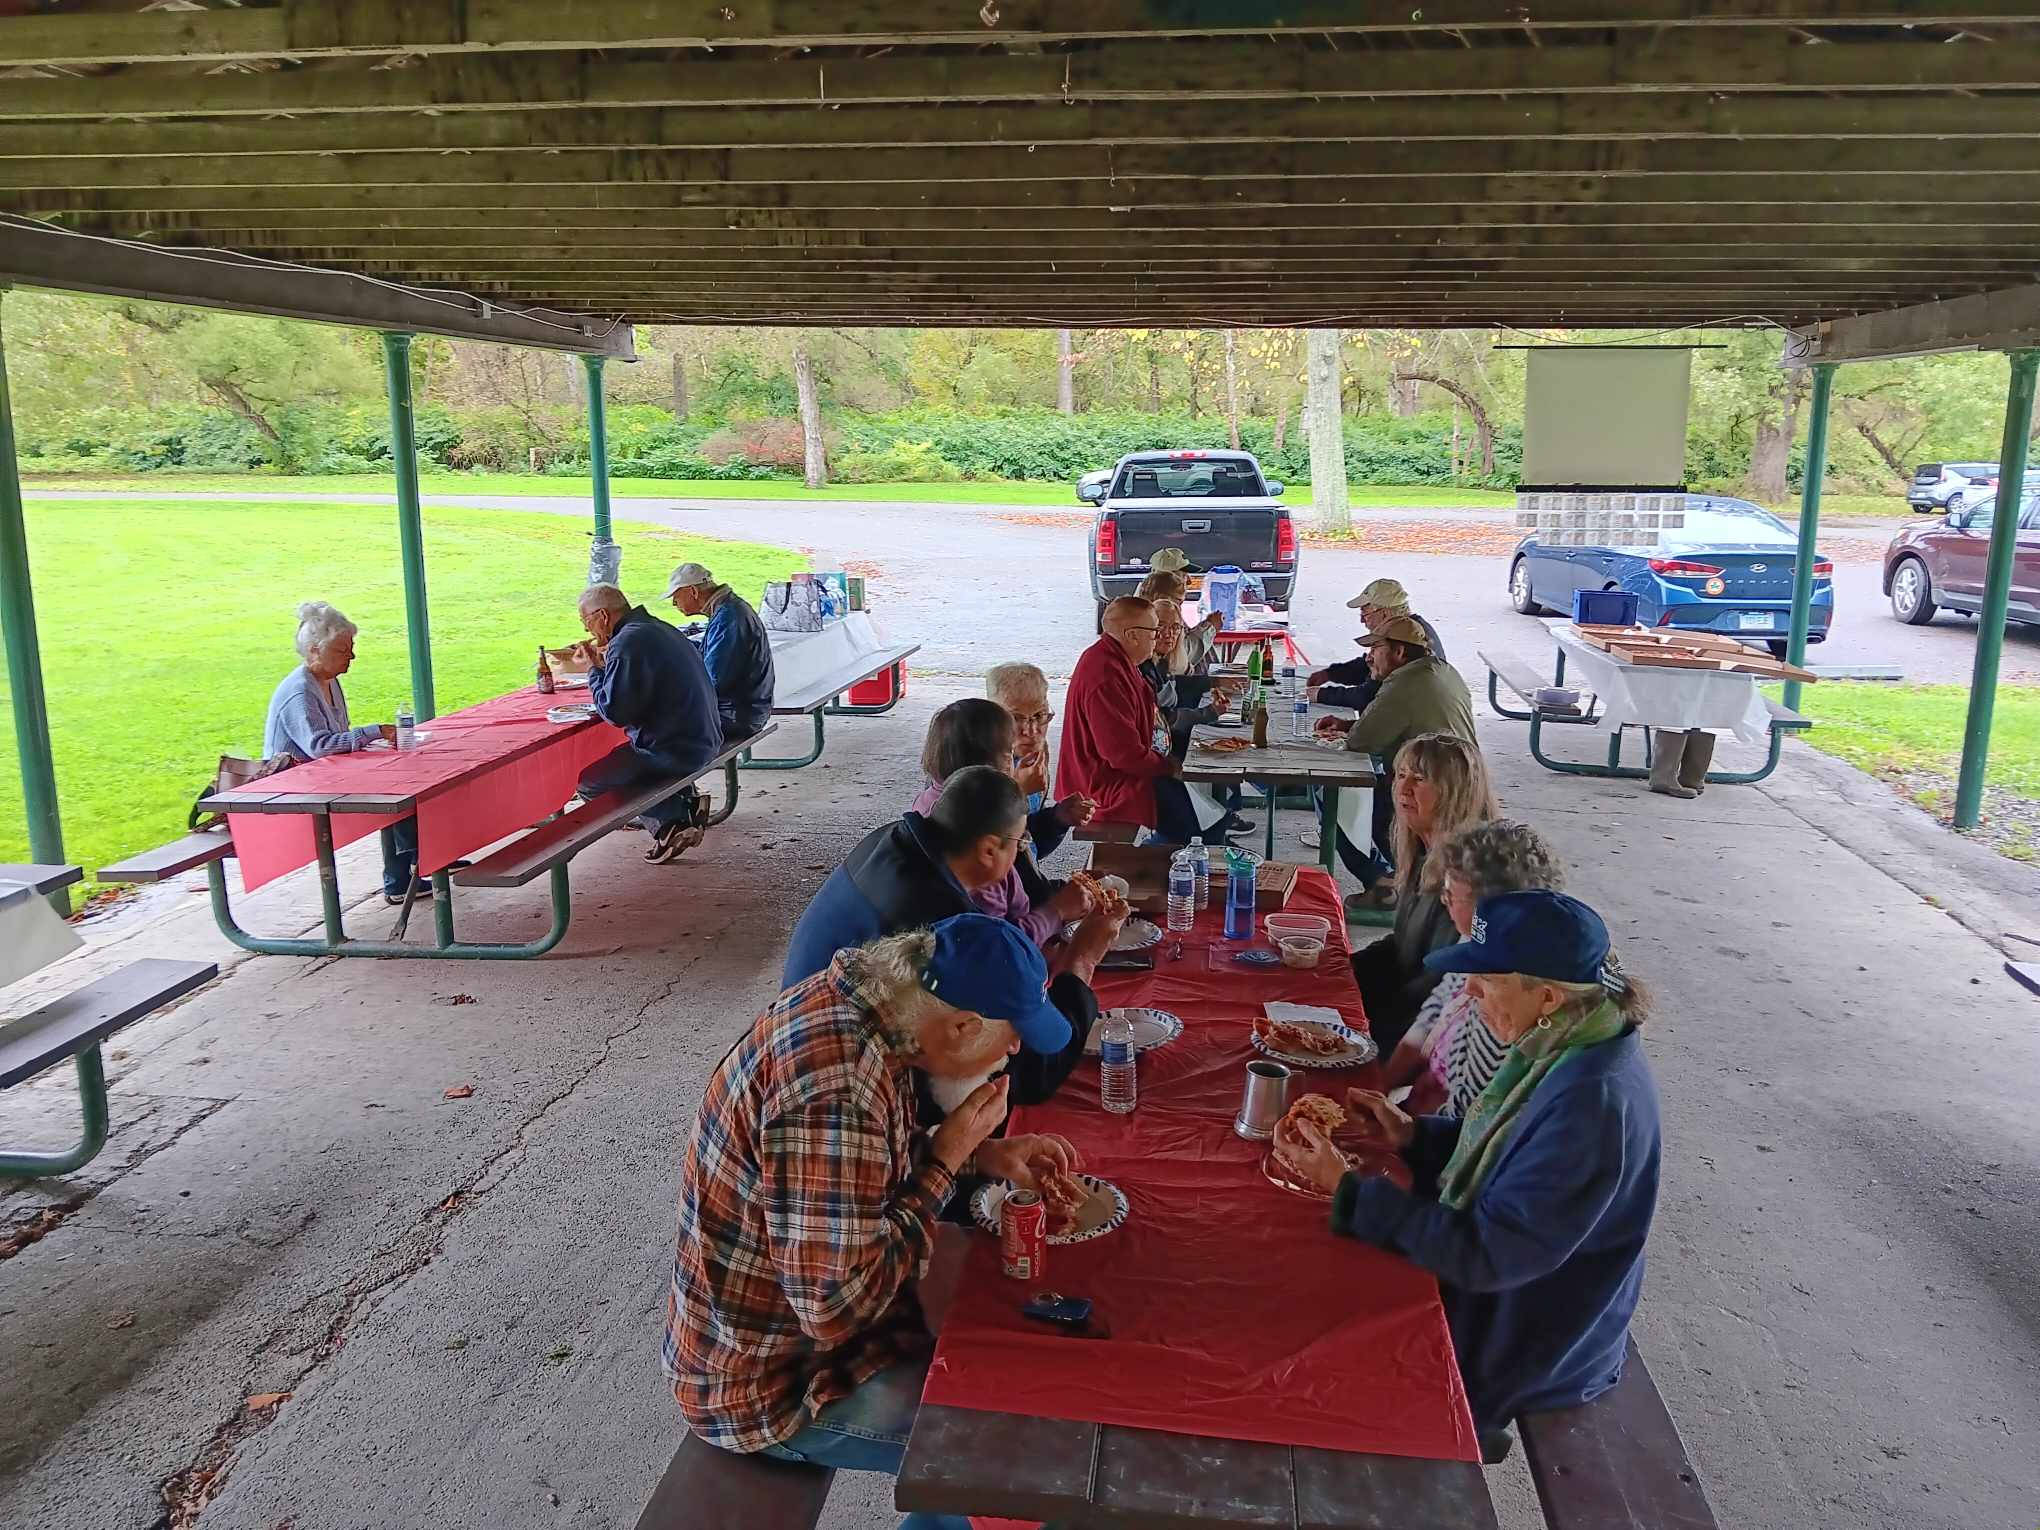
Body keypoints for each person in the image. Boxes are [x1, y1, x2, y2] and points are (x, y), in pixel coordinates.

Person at [666, 917, 1087, 1530]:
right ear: (964, 1025)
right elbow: (834, 1307)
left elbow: (850, 1174)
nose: (1016, 1051)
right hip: (773, 1385)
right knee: (1019, 1450)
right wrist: (946, 1159)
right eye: (1013, 1035)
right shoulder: (837, 1085)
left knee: (1022, 1362)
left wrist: (982, 1155)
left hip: (805, 1329)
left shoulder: (866, 1010)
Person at [1275, 890, 1660, 1462]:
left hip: (1531, 1332)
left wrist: (1350, 1191)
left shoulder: (1591, 1106)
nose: (1469, 992)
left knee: (1306, 1356)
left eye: (1485, 979)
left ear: (1547, 995)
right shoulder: (1563, 1038)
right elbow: (1507, 1151)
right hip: (1514, 1282)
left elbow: (1486, 1258)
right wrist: (1411, 1134)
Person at [1379, 820, 1567, 1117]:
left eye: (1451, 894)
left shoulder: (1510, 996)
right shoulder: (1478, 942)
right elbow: (1435, 1011)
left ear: (1488, 905)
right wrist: (1381, 1087)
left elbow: (1466, 1115)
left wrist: (1402, 1128)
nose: (1445, 901)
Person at [1348, 733, 1495, 1055]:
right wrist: (1343, 969)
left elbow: (1444, 984)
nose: (1403, 789)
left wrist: (1362, 1020)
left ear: (1455, 791)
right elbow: (1405, 946)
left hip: (1436, 1032)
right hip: (1406, 1007)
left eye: (1420, 779)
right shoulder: (1423, 852)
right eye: (1401, 775)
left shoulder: (1471, 876)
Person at [264, 600, 418, 904]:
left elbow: (337, 736)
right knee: (393, 791)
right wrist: (372, 732)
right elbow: (320, 746)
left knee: (402, 782)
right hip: (293, 787)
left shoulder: (328, 680)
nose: (352, 656)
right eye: (342, 650)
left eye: (350, 648)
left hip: (324, 777)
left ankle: (412, 867)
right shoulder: (299, 690)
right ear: (314, 651)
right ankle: (418, 861)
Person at [1314, 614, 1478, 898]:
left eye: (1375, 650)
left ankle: (1383, 880)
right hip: (1465, 779)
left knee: (1331, 794)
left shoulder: (1402, 685)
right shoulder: (1440, 669)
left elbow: (1361, 742)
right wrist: (1347, 724)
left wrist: (1351, 731)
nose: (1368, 658)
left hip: (1435, 788)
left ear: (1399, 652)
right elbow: (1405, 720)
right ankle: (1404, 878)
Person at [908, 700, 1095, 947]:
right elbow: (999, 945)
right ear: (985, 771)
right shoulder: (971, 840)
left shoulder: (946, 801)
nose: (1017, 760)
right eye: (1010, 755)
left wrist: (1056, 819)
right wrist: (1056, 912)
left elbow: (1017, 846)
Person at [572, 583, 724, 864]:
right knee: (624, 767)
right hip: (705, 736)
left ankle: (671, 821)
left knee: (591, 783)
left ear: (603, 616)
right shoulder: (655, 628)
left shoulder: (627, 642)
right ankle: (682, 807)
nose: (586, 630)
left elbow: (615, 712)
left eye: (586, 620)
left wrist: (592, 671)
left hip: (675, 749)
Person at [1058, 596, 1224, 846]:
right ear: (1132, 635)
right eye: (1154, 631)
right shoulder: (1105, 674)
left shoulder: (1120, 660)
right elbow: (1123, 755)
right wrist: (1171, 767)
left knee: (1208, 810)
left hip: (1128, 771)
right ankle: (1171, 867)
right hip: (1104, 785)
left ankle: (1168, 855)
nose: (1158, 638)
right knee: (1200, 825)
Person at [983, 662, 1096, 850]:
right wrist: (1016, 793)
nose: (1032, 730)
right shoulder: (973, 766)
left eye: (1039, 715)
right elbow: (980, 856)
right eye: (1016, 718)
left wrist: (1058, 818)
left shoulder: (1037, 753)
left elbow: (1028, 845)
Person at [664, 560, 774, 741]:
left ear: (693, 591)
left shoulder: (728, 617)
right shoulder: (729, 608)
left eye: (676, 596)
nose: (674, 603)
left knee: (656, 722)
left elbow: (714, 681)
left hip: (737, 716)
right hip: (746, 709)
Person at [1307, 577, 1448, 711]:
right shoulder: (1410, 629)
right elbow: (1370, 666)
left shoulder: (1406, 639)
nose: (1362, 621)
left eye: (1365, 614)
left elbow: (1370, 695)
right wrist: (1330, 674)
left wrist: (1321, 695)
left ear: (1385, 613)